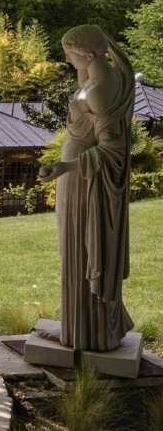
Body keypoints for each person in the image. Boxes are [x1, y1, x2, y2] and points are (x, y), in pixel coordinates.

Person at [37, 24, 134, 351]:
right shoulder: (97, 79)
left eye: (70, 53)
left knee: (79, 249)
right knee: (72, 249)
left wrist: (65, 167)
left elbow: (112, 150)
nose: (66, 59)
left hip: (85, 182)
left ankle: (87, 333)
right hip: (78, 178)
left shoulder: (99, 90)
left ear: (89, 54)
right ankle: (79, 327)